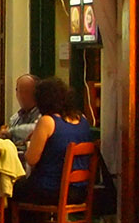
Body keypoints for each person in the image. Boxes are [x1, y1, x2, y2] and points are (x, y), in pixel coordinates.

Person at [17, 77, 96, 206]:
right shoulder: (82, 118)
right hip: (81, 190)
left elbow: (31, 160)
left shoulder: (48, 121)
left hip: (52, 189)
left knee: (9, 189)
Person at [7, 74, 42, 152]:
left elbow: (35, 129)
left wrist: (11, 132)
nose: (22, 96)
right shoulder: (15, 118)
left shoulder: (43, 115)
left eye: (27, 92)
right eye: (20, 91)